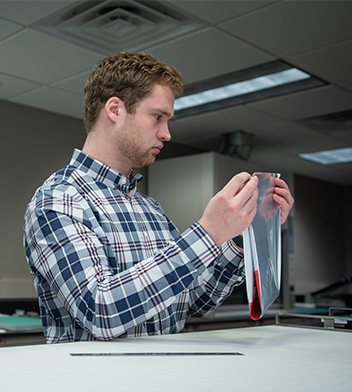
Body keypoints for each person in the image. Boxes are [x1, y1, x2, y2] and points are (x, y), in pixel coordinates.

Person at [23, 51, 294, 344]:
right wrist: (207, 233)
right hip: (97, 388)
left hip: (163, 383)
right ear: (114, 110)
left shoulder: (150, 209)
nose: (166, 134)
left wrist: (239, 236)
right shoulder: (59, 200)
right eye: (157, 117)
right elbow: (100, 311)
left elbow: (195, 302)